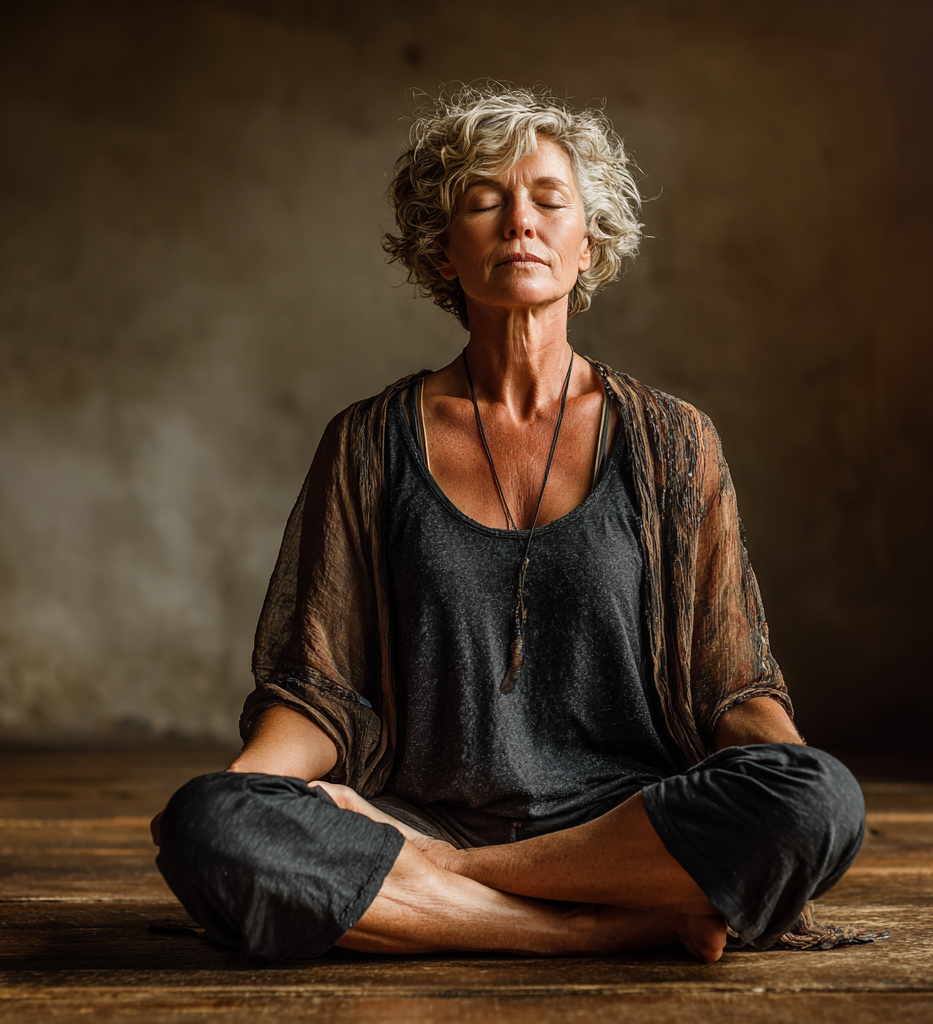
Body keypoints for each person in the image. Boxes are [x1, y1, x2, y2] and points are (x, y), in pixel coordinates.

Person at [151, 85, 866, 965]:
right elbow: (318, 689)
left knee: (821, 799)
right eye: (484, 202)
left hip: (627, 822)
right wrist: (243, 799)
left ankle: (456, 884)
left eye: (549, 201)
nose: (519, 221)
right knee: (209, 823)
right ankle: (600, 929)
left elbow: (731, 685)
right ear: (443, 252)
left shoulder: (674, 441)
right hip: (416, 811)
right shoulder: (369, 442)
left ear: (589, 241)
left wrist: (788, 800)